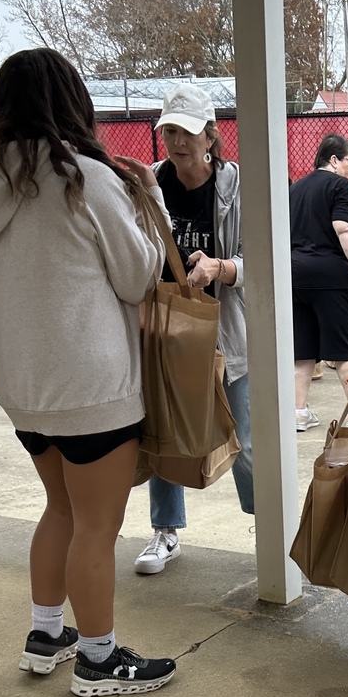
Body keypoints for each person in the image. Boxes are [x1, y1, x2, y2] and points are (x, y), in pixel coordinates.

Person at [0, 48, 176, 697]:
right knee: (97, 526)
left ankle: (46, 634)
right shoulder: (90, 179)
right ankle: (98, 658)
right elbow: (142, 276)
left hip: (23, 389)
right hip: (94, 389)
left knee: (58, 507)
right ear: (73, 103)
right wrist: (149, 199)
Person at [116, 84, 254, 575]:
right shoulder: (150, 182)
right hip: (165, 331)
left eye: (187, 131)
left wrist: (220, 268)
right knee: (163, 434)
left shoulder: (237, 187)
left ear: (211, 136)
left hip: (225, 331)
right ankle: (165, 532)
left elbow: (263, 261)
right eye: (168, 130)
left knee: (243, 439)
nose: (176, 141)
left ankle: (270, 532)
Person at [289, 133, 348, 432]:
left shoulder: (296, 189)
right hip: (331, 277)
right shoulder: (341, 185)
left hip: (295, 276)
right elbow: (344, 228)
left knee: (303, 349)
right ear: (333, 159)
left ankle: (298, 412)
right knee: (345, 347)